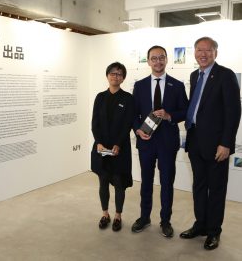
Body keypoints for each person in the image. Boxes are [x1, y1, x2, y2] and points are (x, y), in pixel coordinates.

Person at [180, 36, 241, 250]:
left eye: (207, 50)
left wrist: (226, 143)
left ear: (216, 53)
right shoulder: (194, 75)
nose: (202, 54)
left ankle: (214, 231)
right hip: (195, 141)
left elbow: (233, 113)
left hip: (217, 146)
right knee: (199, 186)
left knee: (216, 189)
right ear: (194, 53)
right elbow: (197, 107)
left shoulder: (225, 75)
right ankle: (201, 224)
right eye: (199, 50)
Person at [131, 45, 188, 237]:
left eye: (161, 57)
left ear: (166, 60)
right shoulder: (139, 86)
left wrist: (169, 115)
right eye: (154, 58)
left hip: (167, 143)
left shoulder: (177, 85)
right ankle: (144, 217)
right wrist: (138, 129)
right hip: (146, 142)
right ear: (148, 61)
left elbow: (185, 111)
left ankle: (165, 221)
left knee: (166, 183)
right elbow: (133, 114)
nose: (158, 61)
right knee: (146, 182)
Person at [91, 62, 134, 232]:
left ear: (123, 78)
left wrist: (118, 144)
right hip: (102, 148)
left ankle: (117, 216)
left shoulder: (128, 98)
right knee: (102, 182)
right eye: (113, 73)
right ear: (107, 75)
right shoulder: (100, 97)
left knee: (118, 183)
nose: (116, 77)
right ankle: (105, 214)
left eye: (119, 74)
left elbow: (127, 124)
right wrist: (99, 142)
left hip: (119, 149)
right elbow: (95, 123)